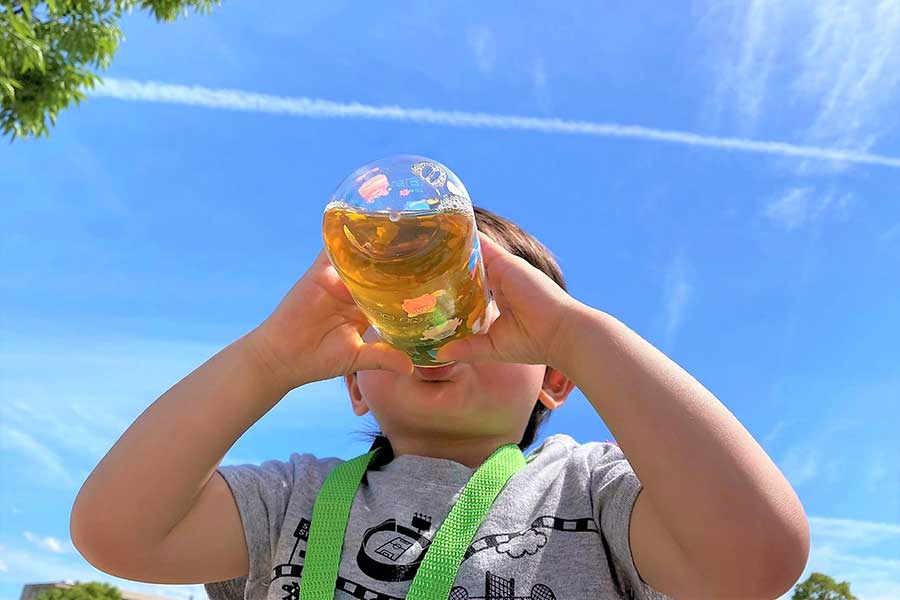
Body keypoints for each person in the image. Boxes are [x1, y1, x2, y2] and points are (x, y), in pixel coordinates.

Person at [70, 206, 810, 600]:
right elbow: (118, 534)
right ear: (357, 386)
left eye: (480, 310)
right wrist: (268, 361)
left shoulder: (591, 489)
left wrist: (580, 335)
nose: (436, 332)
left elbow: (754, 562)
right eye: (396, 316)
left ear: (554, 378)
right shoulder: (292, 497)